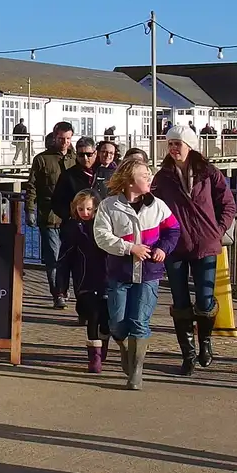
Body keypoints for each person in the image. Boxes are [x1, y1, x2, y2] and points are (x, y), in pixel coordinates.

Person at [153, 123, 237, 377]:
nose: (173, 148)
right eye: (170, 144)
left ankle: (205, 342)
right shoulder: (163, 176)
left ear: (190, 146)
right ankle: (187, 353)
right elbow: (151, 207)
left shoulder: (208, 172)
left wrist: (217, 230)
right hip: (176, 246)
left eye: (178, 143)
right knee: (180, 302)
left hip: (205, 244)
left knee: (205, 299)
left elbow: (228, 205)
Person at [93, 156, 181, 390]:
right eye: (145, 176)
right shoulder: (109, 206)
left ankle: (137, 371)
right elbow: (101, 236)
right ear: (131, 180)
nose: (150, 179)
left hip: (149, 274)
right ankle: (123, 346)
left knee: (140, 322)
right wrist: (129, 248)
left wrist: (163, 248)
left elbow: (173, 230)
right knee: (118, 323)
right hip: (119, 273)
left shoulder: (158, 206)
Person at [59, 190, 110, 373]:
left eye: (89, 208)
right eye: (81, 209)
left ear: (96, 208)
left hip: (106, 278)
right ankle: (94, 357)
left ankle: (103, 344)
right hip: (84, 280)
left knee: (106, 319)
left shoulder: (105, 226)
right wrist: (62, 286)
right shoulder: (73, 228)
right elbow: (64, 258)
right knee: (93, 316)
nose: (85, 213)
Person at [25, 126, 76, 308]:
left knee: (70, 257)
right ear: (55, 138)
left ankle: (66, 287)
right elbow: (31, 186)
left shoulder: (76, 159)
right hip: (49, 215)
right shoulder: (42, 160)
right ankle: (58, 293)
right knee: (53, 257)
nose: (65, 142)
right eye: (62, 139)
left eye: (68, 139)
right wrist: (30, 209)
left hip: (72, 217)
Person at [49, 139, 98, 317]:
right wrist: (70, 216)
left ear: (95, 153)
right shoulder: (69, 175)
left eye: (89, 154)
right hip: (74, 228)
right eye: (81, 154)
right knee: (76, 267)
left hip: (99, 228)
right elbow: (56, 202)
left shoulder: (101, 172)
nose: (85, 158)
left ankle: (95, 308)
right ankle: (81, 306)